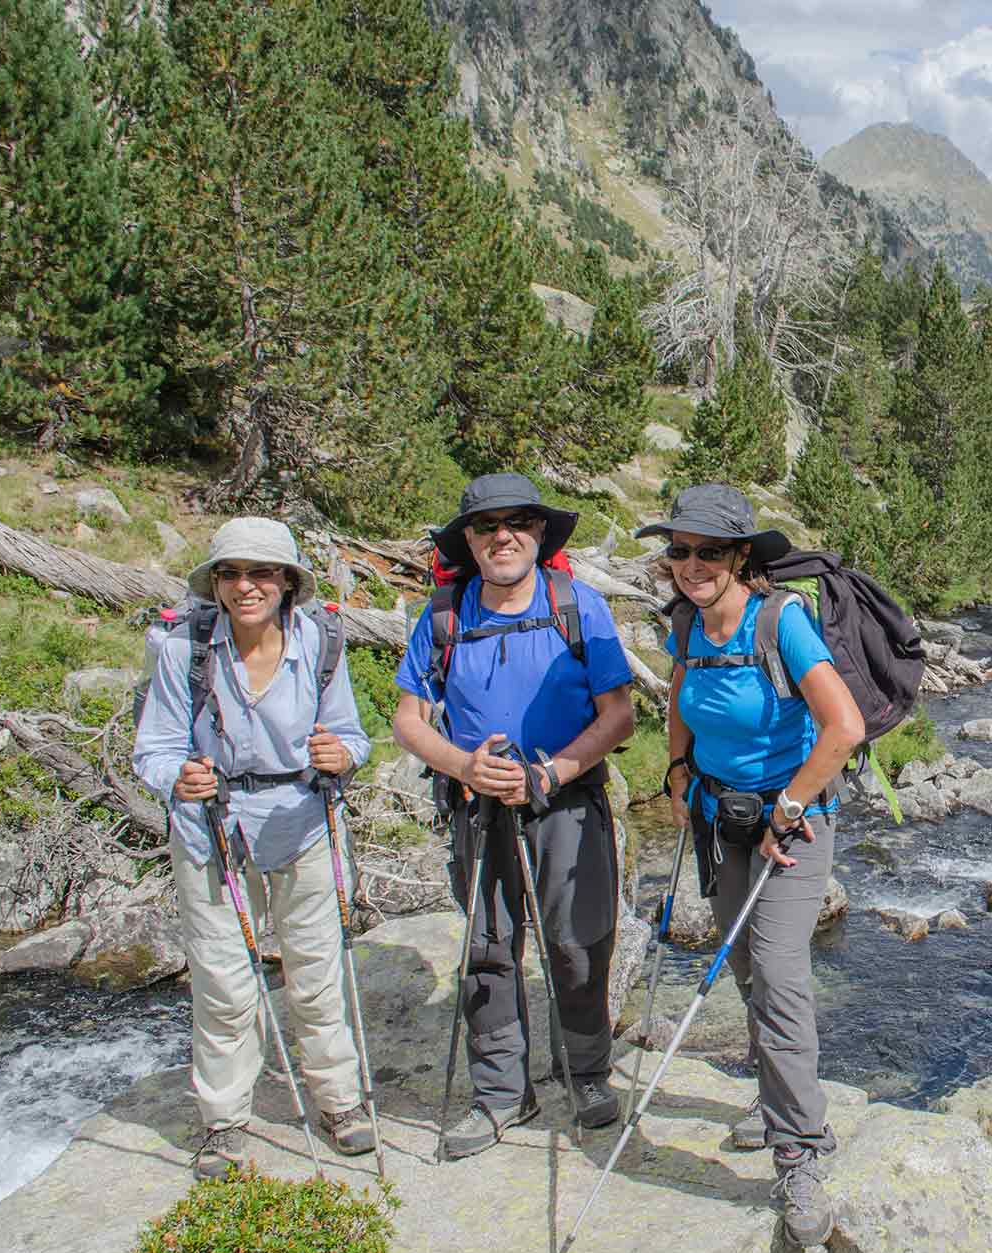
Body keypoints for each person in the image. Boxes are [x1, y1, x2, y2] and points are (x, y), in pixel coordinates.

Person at [636, 483, 864, 1248]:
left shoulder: (782, 622)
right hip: (719, 817)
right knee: (740, 965)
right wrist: (675, 769)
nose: (689, 564)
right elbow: (679, 695)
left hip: (790, 825)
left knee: (776, 970)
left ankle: (800, 1150)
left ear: (740, 557)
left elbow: (845, 726)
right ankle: (776, 1098)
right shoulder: (688, 624)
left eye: (706, 551)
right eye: (678, 549)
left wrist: (790, 805)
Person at [392, 474, 635, 1161]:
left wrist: (550, 770)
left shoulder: (577, 606)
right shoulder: (443, 616)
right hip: (479, 806)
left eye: (519, 521)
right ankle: (501, 1093)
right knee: (488, 949)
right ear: (467, 540)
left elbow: (619, 714)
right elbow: (408, 719)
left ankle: (586, 1074)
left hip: (566, 801)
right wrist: (465, 766)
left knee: (580, 941)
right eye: (487, 525)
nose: (503, 535)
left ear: (539, 534)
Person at [133, 517, 375, 1179]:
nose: (247, 585)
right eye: (232, 573)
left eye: (263, 572)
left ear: (287, 582)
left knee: (317, 970)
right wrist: (177, 776)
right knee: (222, 984)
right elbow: (153, 747)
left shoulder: (320, 641)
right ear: (215, 582)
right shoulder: (182, 646)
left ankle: (340, 1101)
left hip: (301, 820)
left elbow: (352, 736)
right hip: (212, 830)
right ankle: (225, 1118)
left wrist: (340, 755)